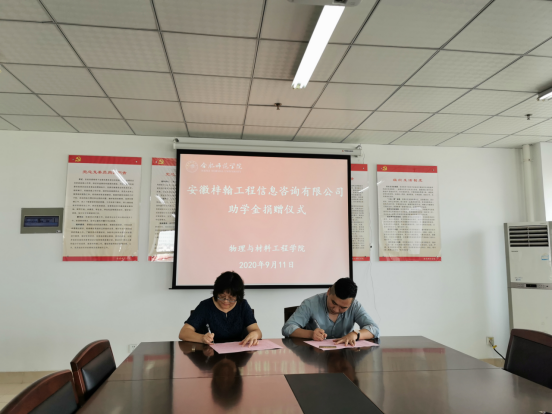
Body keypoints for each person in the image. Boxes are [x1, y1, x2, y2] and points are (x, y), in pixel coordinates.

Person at [282, 277, 379, 345]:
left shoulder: (355, 306)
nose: (336, 309)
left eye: (343, 307)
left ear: (351, 303)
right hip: (315, 356)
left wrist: (355, 334)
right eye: (333, 303)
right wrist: (311, 334)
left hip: (345, 356)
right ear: (328, 292)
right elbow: (288, 328)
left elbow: (374, 329)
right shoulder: (310, 304)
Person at [179, 271, 262, 346]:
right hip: (211, 353)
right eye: (222, 297)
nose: (226, 301)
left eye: (231, 298)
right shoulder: (205, 306)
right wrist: (202, 338)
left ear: (238, 297)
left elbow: (257, 331)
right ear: (216, 293)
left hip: (239, 352)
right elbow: (184, 333)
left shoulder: (242, 305)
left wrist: (254, 334)